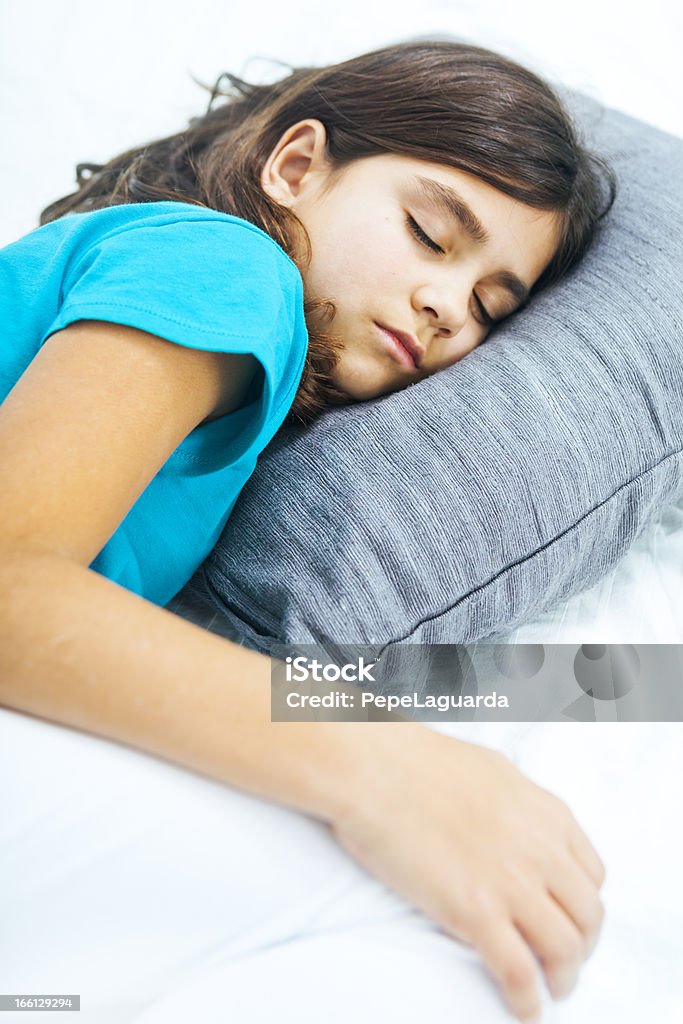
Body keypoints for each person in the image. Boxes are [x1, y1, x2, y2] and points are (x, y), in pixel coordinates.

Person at [0, 39, 616, 1024]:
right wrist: (386, 770)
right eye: (429, 232)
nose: (447, 308)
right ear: (294, 167)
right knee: (470, 919)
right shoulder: (224, 265)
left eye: (488, 307)